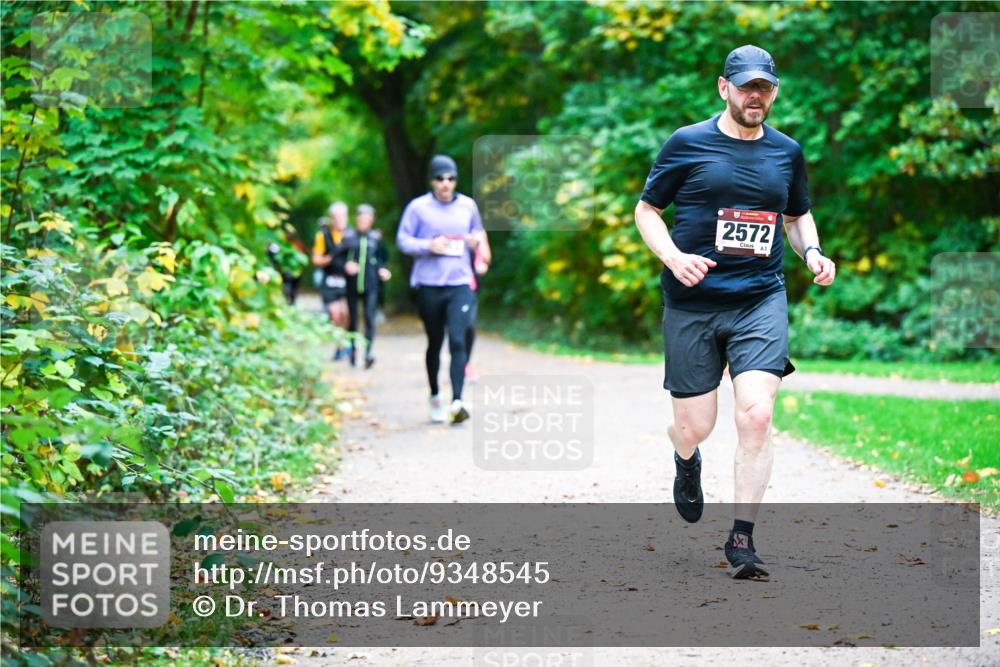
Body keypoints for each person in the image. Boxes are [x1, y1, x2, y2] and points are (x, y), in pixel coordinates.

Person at [633, 45, 836, 580]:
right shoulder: (687, 143)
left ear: (773, 91)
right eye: (745, 86)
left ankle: (742, 536)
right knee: (694, 425)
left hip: (759, 298)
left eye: (764, 87)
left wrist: (812, 252)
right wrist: (673, 257)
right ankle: (685, 458)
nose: (755, 96)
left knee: (757, 415)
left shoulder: (786, 152)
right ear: (724, 88)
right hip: (693, 303)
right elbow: (646, 210)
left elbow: (797, 216)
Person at [397, 154, 484, 424]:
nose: (446, 183)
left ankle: (457, 401)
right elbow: (402, 240)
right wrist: (427, 246)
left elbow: (478, 233)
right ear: (432, 181)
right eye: (440, 178)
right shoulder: (418, 208)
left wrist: (473, 242)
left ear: (456, 180)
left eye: (450, 178)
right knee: (435, 343)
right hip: (429, 285)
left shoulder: (468, 206)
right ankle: (435, 395)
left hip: (459, 282)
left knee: (458, 339)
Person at [345, 204, 392, 368]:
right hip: (351, 285)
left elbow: (383, 259)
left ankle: (368, 353)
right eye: (361, 218)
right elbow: (337, 258)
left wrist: (384, 270)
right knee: (352, 319)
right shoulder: (349, 237)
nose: (364, 221)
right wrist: (346, 266)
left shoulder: (376, 239)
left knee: (369, 317)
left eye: (367, 218)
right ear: (356, 219)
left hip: (371, 284)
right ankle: (352, 352)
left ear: (371, 220)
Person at [312, 201, 357, 360]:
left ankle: (345, 344)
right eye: (336, 217)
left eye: (342, 216)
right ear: (331, 218)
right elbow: (316, 259)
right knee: (335, 314)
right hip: (330, 280)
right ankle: (340, 344)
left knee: (346, 313)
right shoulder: (323, 235)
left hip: (348, 281)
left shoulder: (353, 234)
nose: (339, 220)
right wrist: (331, 258)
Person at [464, 230, 491, 382]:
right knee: (456, 331)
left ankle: (466, 363)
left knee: (469, 327)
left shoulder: (479, 233)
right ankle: (459, 364)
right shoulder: (449, 226)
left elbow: (486, 259)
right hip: (450, 287)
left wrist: (479, 244)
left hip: (471, 289)